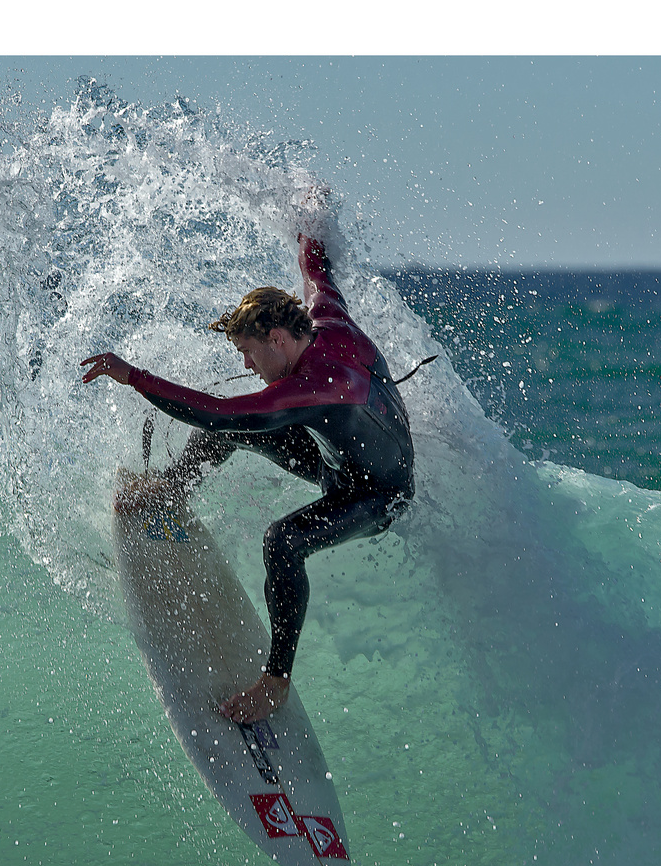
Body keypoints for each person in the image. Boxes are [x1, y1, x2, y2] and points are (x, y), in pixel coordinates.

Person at [80, 229, 415, 724]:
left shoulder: (320, 385)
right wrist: (309, 225)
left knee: (282, 540)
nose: (247, 364)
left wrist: (133, 376)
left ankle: (275, 682)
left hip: (377, 494)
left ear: (278, 339)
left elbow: (217, 412)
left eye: (249, 352)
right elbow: (317, 271)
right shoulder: (325, 317)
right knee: (240, 429)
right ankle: (171, 488)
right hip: (338, 457)